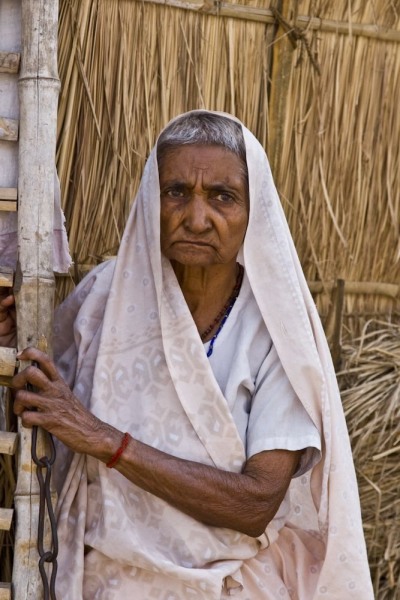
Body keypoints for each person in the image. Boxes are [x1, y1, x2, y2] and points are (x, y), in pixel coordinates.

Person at [0, 111, 373, 599]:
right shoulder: (104, 301)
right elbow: (43, 411)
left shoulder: (276, 333)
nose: (197, 219)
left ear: (252, 210)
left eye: (222, 197)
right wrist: (10, 347)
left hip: (230, 587)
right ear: (151, 202)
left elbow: (255, 503)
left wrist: (103, 439)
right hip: (106, 584)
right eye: (176, 192)